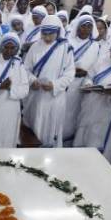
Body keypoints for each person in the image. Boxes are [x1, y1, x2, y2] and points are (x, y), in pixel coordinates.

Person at [23, 14, 76, 147]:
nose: (47, 38)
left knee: (51, 130)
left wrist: (54, 85)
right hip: (35, 95)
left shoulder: (66, 49)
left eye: (50, 34)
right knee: (33, 129)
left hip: (55, 98)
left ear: (58, 32)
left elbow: (70, 74)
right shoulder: (35, 47)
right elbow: (25, 69)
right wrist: (32, 80)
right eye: (44, 34)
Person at [64, 15, 100, 145]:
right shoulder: (68, 41)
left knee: (73, 113)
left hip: (80, 84)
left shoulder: (96, 46)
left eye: (89, 26)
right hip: (64, 81)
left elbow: (96, 66)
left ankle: (67, 141)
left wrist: (87, 73)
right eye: (83, 25)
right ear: (78, 27)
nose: (86, 29)